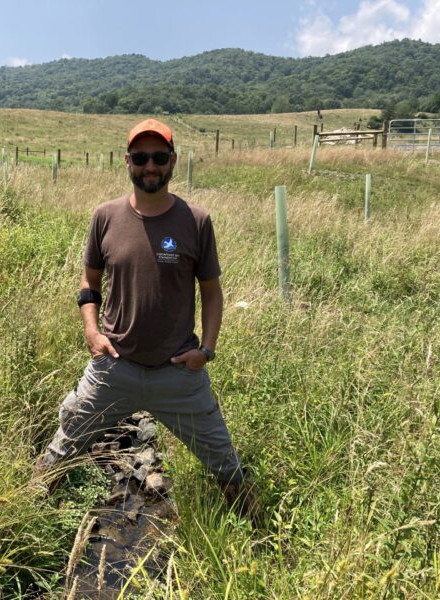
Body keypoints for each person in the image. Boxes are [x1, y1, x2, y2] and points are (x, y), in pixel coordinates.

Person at [34, 118, 263, 526]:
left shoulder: (196, 220)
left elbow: (212, 292)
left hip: (178, 374)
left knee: (225, 464)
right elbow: (89, 283)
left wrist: (207, 351)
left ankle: (260, 534)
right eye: (141, 158)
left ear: (173, 160)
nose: (150, 166)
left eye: (159, 157)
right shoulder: (105, 216)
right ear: (127, 161)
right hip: (113, 368)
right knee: (60, 451)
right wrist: (91, 331)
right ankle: (22, 522)